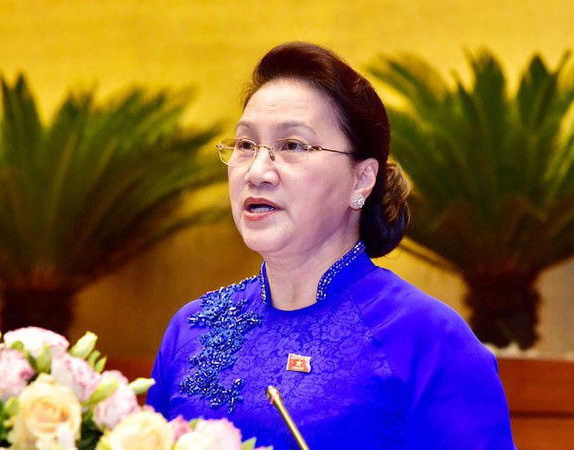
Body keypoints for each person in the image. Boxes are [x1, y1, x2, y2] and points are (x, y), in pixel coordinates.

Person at [147, 42, 515, 449]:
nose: (257, 171)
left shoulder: (427, 338)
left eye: (292, 145)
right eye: (246, 145)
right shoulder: (191, 329)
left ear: (362, 179)